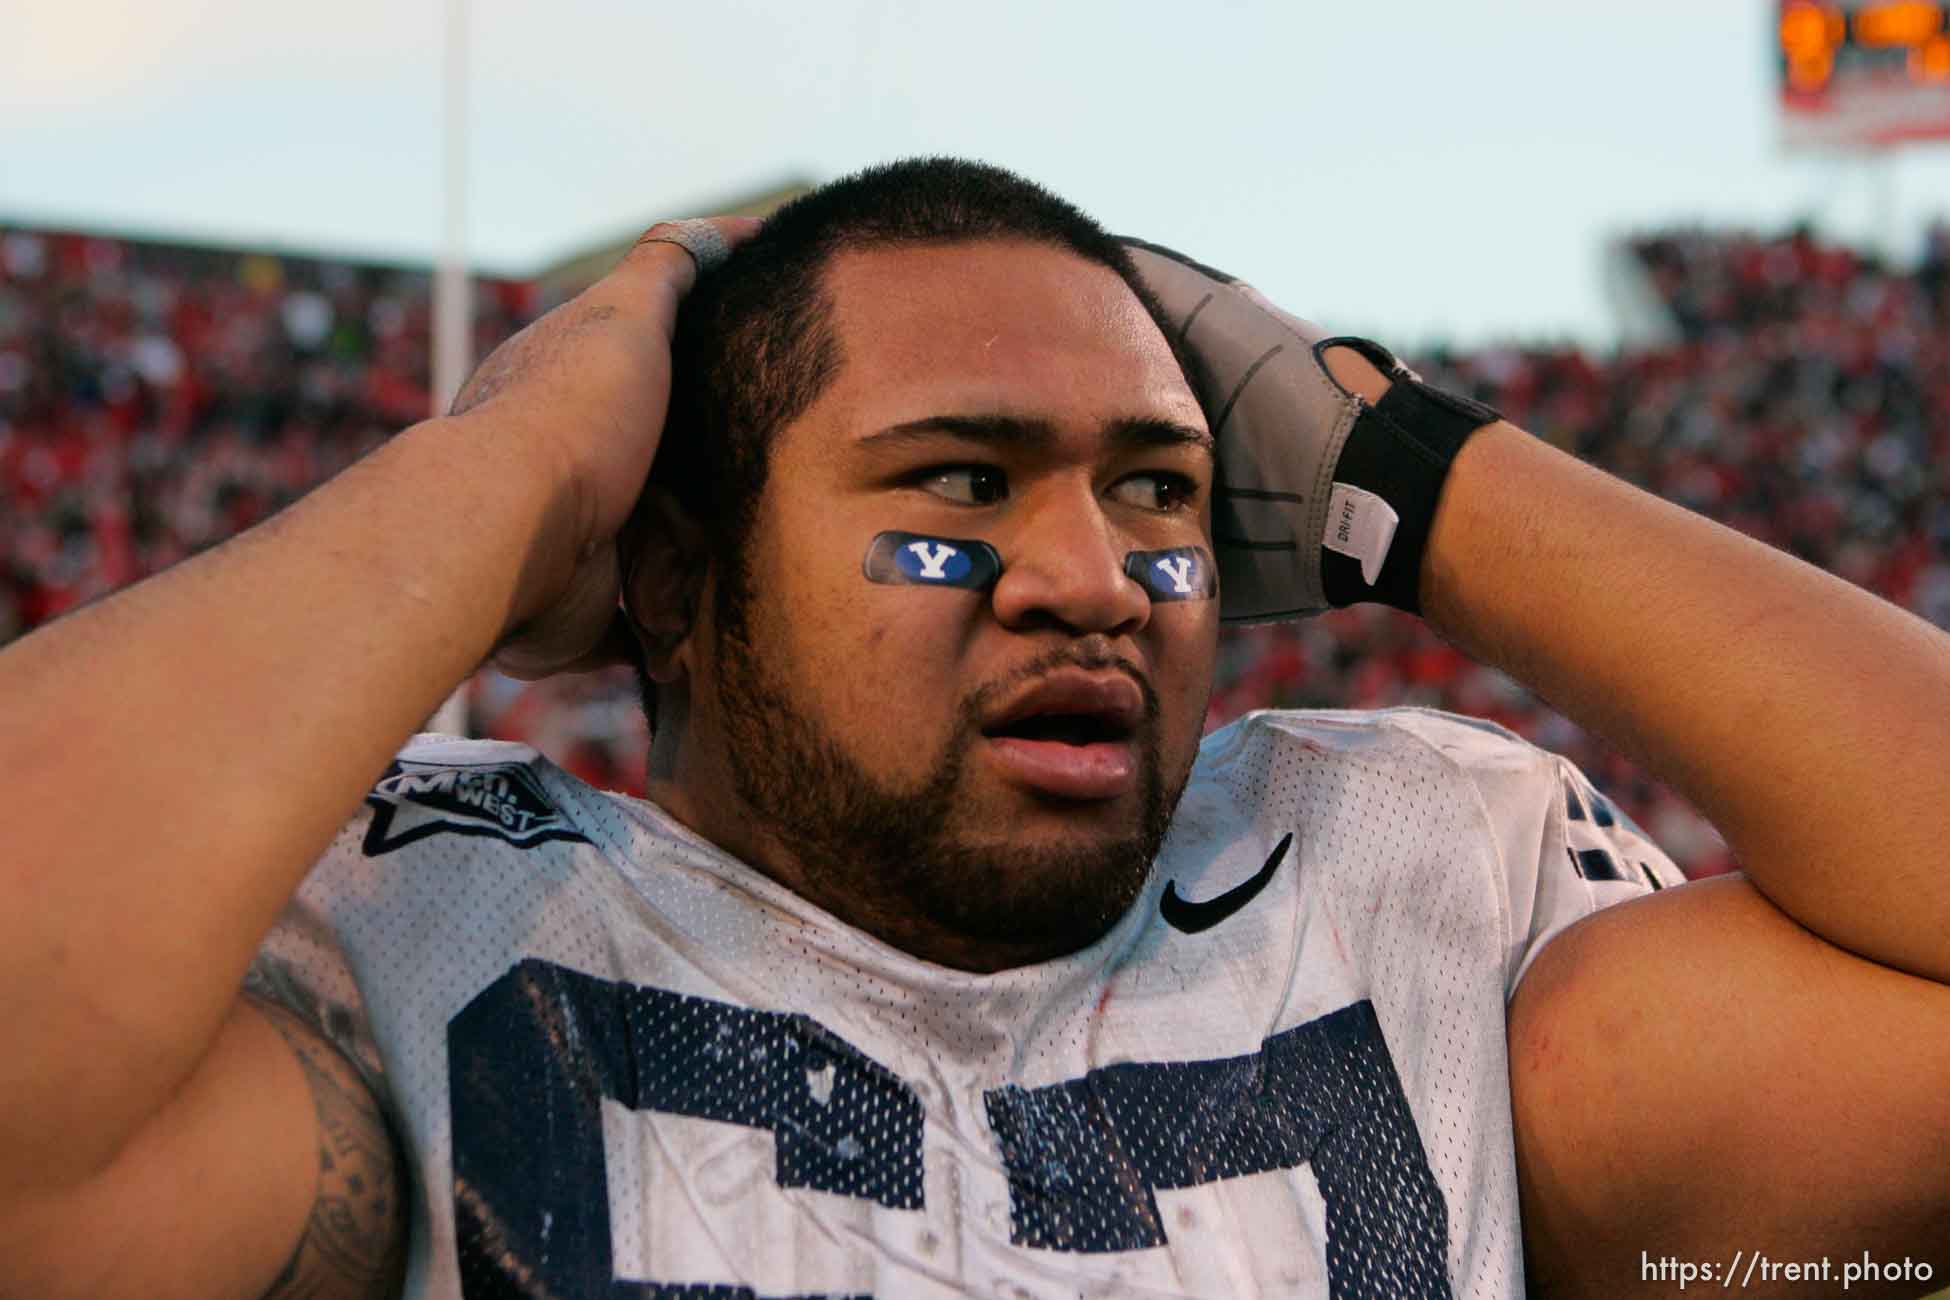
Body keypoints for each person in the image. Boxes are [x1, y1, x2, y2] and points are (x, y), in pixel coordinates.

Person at [1, 158, 1946, 1300]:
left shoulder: (1429, 908)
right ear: (670, 570)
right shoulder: (432, 942)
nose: (1092, 571)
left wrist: (1403, 473)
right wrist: (507, 463)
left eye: (1166, 491)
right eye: (962, 485)